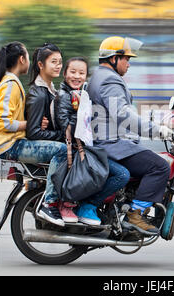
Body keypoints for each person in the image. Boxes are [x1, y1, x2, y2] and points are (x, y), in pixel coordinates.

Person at [87, 36, 174, 236]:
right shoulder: (110, 81)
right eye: (126, 59)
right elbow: (125, 116)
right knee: (160, 166)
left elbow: (121, 115)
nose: (129, 64)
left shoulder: (100, 76)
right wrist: (160, 131)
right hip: (111, 145)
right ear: (114, 58)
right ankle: (135, 214)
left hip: (111, 141)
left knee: (147, 160)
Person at [0, 41, 68, 227]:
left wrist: (30, 121)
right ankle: (48, 203)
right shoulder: (11, 84)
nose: (29, 59)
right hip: (10, 145)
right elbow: (3, 122)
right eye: (28, 56)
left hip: (11, 142)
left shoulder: (8, 82)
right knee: (61, 150)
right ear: (22, 59)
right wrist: (30, 124)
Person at [55, 57, 130, 225]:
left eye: (81, 73)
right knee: (122, 174)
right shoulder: (67, 97)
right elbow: (68, 127)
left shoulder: (81, 94)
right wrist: (82, 109)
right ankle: (89, 206)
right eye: (72, 72)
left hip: (87, 147)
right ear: (65, 73)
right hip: (77, 151)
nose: (77, 76)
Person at [24, 43, 80, 223]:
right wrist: (62, 136)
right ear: (40, 65)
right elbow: (34, 133)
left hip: (50, 140)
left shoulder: (51, 91)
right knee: (66, 151)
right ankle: (50, 204)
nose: (58, 66)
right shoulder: (39, 94)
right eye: (53, 62)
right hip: (35, 145)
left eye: (60, 62)